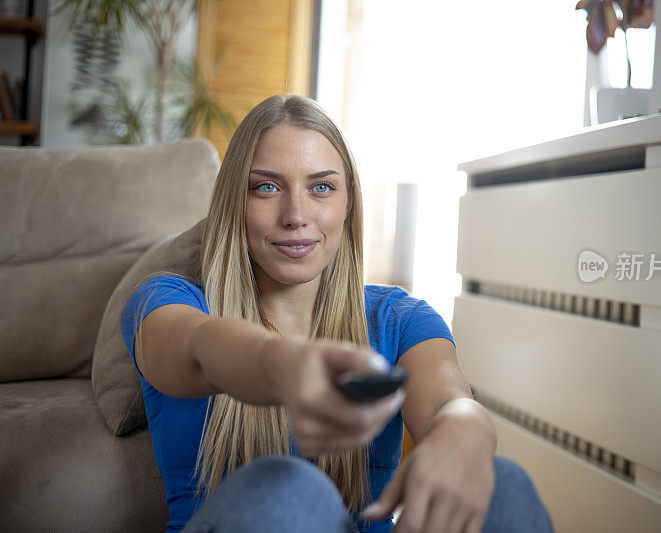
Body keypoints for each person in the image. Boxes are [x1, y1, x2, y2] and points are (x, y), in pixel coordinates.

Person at [121, 94, 554, 533]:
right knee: (286, 489)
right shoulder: (165, 300)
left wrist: (465, 431)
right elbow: (198, 347)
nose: (296, 215)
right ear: (235, 200)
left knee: (506, 484)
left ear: (348, 204)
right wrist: (282, 365)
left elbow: (449, 401)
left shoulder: (399, 319)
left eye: (321, 187)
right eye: (266, 187)